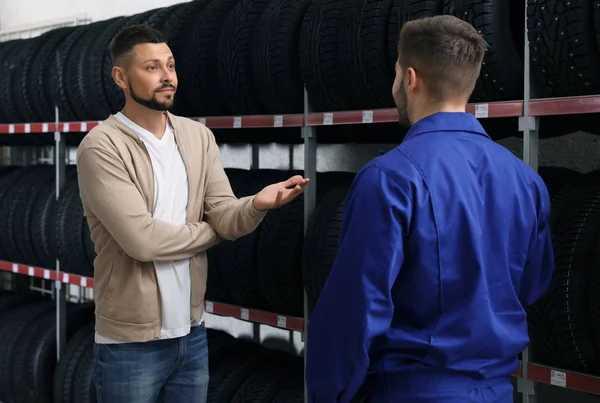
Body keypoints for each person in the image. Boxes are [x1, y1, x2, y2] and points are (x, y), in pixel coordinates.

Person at [306, 15, 554, 402]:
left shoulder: (389, 178)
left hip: (410, 391)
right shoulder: (526, 181)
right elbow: (531, 285)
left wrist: (327, 393)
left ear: (409, 78)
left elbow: (353, 313)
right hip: (495, 391)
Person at [76, 24, 309, 403]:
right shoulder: (102, 147)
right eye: (152, 68)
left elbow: (223, 213)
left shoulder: (196, 137)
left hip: (191, 333)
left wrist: (254, 205)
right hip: (131, 344)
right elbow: (144, 242)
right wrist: (212, 232)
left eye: (170, 65)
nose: (167, 77)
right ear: (120, 77)